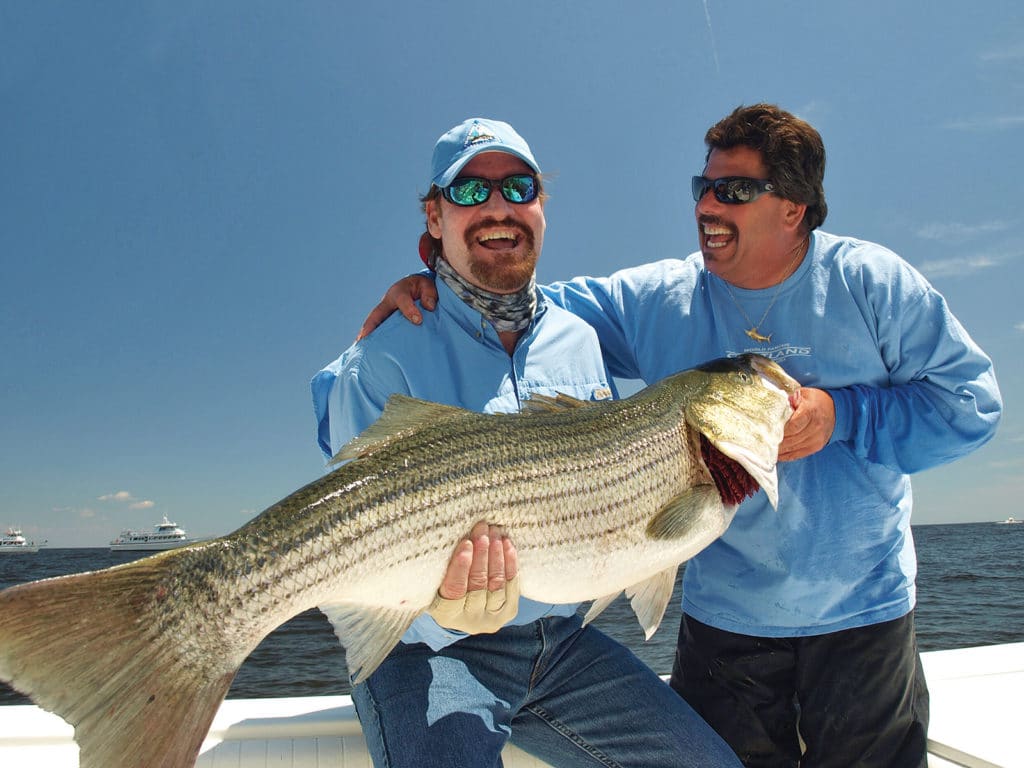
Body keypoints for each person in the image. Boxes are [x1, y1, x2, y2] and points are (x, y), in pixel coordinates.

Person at [357, 104, 1003, 768]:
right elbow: (516, 296)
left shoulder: (874, 284)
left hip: (862, 615)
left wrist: (844, 417)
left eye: (734, 191)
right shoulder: (655, 300)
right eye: (703, 188)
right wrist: (432, 278)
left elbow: (971, 408)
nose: (706, 206)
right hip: (725, 627)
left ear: (795, 209)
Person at [312, 117, 741, 768]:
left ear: (541, 208)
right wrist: (444, 611)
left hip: (563, 646)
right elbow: (354, 533)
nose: (497, 207)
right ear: (433, 218)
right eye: (467, 192)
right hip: (427, 651)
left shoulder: (578, 339)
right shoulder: (383, 357)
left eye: (519, 187)